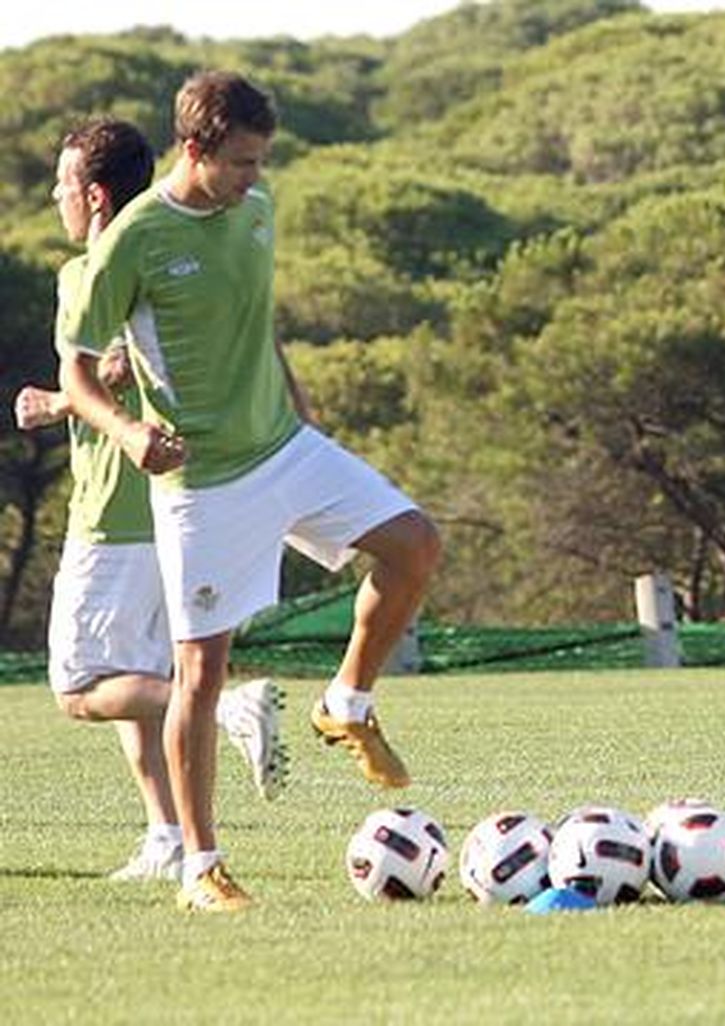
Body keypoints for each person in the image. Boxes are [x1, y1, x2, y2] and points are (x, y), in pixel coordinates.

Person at [58, 72, 443, 912]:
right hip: (203, 483)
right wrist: (129, 433)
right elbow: (77, 375)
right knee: (201, 677)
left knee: (415, 545)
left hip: (286, 449)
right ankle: (200, 869)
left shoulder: (258, 210)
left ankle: (346, 704)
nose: (254, 177)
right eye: (240, 161)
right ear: (193, 149)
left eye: (261, 160)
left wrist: (303, 418)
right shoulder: (133, 240)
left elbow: (255, 326)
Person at [13, 118, 287, 883]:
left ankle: (227, 707)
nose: (57, 197)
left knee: (79, 688)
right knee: (132, 677)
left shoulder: (92, 269)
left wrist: (53, 403)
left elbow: (106, 370)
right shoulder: (181, 252)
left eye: (64, 185)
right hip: (184, 502)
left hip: (114, 514)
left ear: (97, 196)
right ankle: (166, 837)